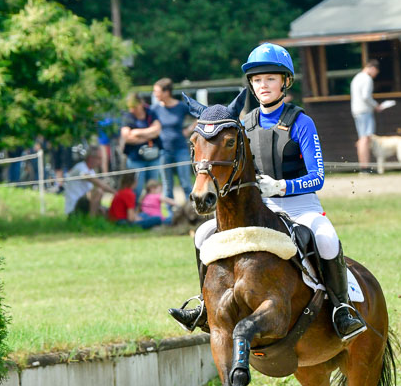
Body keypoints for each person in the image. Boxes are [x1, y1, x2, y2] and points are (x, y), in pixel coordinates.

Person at [169, 43, 367, 342]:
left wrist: (282, 186)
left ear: (285, 82)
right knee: (203, 234)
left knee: (326, 238)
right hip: (259, 208)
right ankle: (204, 305)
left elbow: (318, 177)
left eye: (270, 79)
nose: (263, 85)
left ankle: (342, 308)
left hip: (300, 206)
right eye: (258, 80)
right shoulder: (242, 124)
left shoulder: (301, 122)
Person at [152, 78, 194, 218]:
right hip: (163, 151)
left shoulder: (181, 107)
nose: (155, 94)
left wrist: (188, 130)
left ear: (166, 92)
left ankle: (192, 212)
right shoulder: (155, 109)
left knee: (185, 183)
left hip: (181, 149)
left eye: (157, 91)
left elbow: (199, 116)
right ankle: (171, 216)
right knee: (167, 185)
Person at [120, 93, 162, 202]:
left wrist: (136, 132)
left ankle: (149, 210)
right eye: (131, 107)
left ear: (141, 104)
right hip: (135, 159)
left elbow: (157, 130)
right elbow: (127, 137)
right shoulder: (128, 116)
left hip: (153, 158)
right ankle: (134, 210)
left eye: (134, 107)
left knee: (153, 188)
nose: (132, 110)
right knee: (137, 189)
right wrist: (149, 135)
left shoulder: (150, 113)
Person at [64, 145, 116, 216]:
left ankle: (93, 216)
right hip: (74, 208)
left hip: (84, 204)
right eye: (99, 158)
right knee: (98, 191)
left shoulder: (92, 171)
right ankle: (91, 219)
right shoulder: (80, 167)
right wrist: (115, 193)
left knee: (106, 211)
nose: (100, 162)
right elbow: (97, 183)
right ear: (91, 158)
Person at [350, 59, 381, 172]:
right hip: (364, 111)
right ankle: (365, 167)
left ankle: (363, 166)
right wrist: (376, 105)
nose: (374, 75)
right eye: (376, 72)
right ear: (373, 68)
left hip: (357, 110)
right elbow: (366, 96)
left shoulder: (356, 77)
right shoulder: (367, 79)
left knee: (362, 138)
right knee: (365, 138)